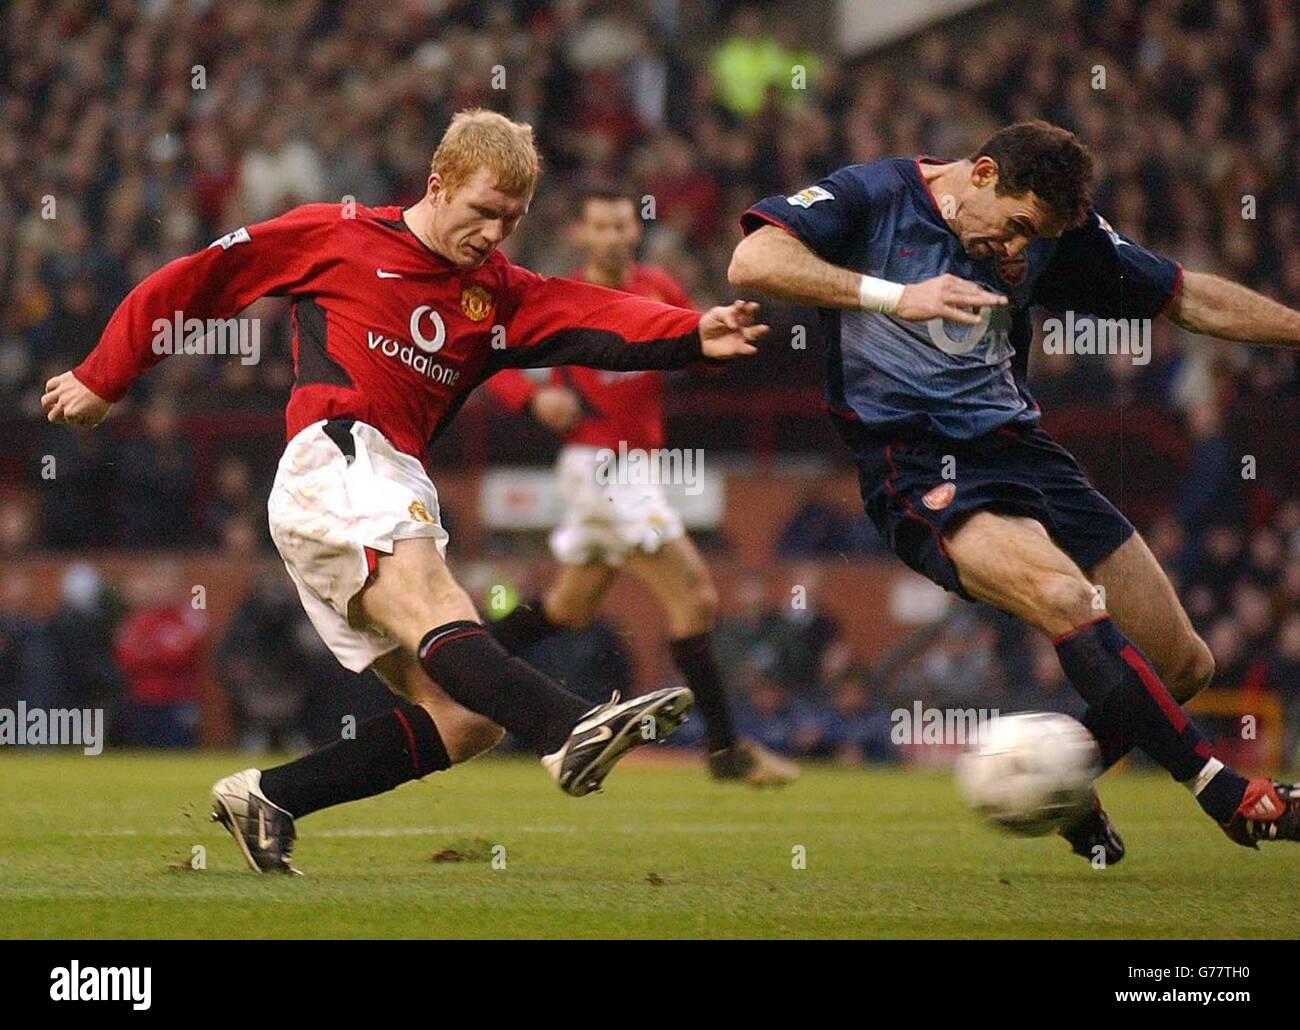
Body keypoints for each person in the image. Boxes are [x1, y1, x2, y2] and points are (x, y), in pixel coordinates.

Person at [43, 109, 768, 874]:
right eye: (483, 211)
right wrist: (104, 375)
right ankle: (570, 727)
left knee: (463, 721)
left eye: (511, 221)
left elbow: (593, 313)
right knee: (434, 603)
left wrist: (693, 335)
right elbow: (202, 279)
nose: (494, 233)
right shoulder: (340, 235)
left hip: (381, 482)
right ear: (438, 184)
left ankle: (270, 797)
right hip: (338, 455)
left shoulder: (496, 294)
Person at [728, 120, 1300, 862]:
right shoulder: (872, 196)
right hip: (917, 461)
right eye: (1019, 228)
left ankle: (1059, 782)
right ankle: (1224, 792)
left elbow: (1187, 297)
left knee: (1186, 664)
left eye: (1039, 240)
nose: (1022, 252)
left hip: (1027, 454)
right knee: (1064, 598)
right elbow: (753, 260)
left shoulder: (1056, 235)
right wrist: (894, 296)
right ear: (984, 174)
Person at [485, 188, 797, 786]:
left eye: (620, 223)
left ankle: (446, 675)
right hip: (599, 466)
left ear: (636, 229)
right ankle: (727, 751)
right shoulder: (562, 296)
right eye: (598, 225)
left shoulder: (658, 287)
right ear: (580, 234)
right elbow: (491, 355)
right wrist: (533, 399)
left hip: (638, 469)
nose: (610, 235)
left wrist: (721, 340)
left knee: (565, 609)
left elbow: (695, 345)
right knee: (695, 596)